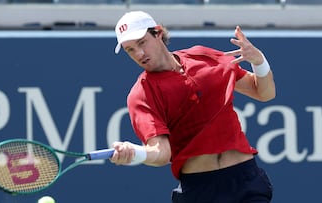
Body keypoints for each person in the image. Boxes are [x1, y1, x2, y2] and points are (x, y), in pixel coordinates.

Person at [110, 10, 275, 203]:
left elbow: (264, 93)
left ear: (158, 33)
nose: (139, 54)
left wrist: (259, 61)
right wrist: (135, 153)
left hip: (245, 177)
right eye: (130, 50)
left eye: (141, 42)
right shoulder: (141, 95)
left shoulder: (203, 56)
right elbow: (161, 153)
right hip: (200, 190)